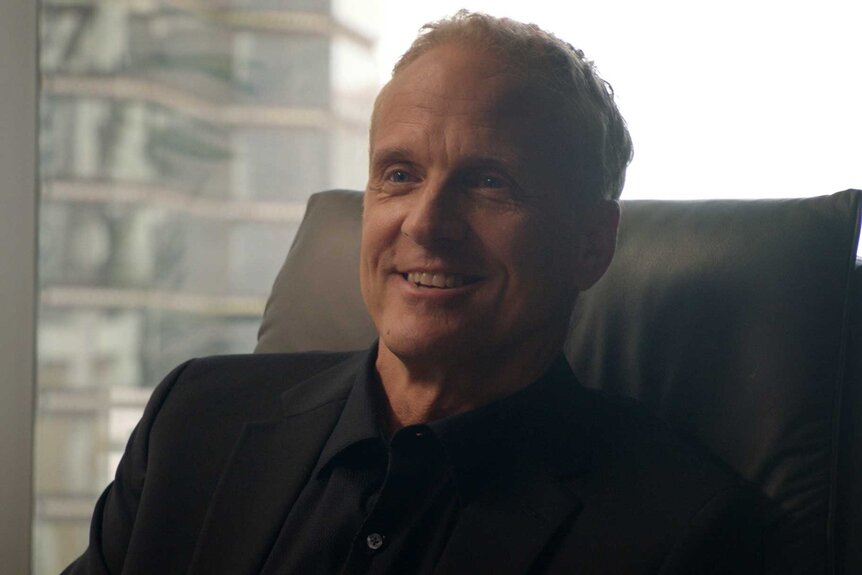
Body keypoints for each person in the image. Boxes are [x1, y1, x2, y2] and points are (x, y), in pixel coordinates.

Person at [64, 11, 780, 574]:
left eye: (489, 181)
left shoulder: (686, 535)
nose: (427, 224)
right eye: (400, 174)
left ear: (591, 243)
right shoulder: (192, 423)